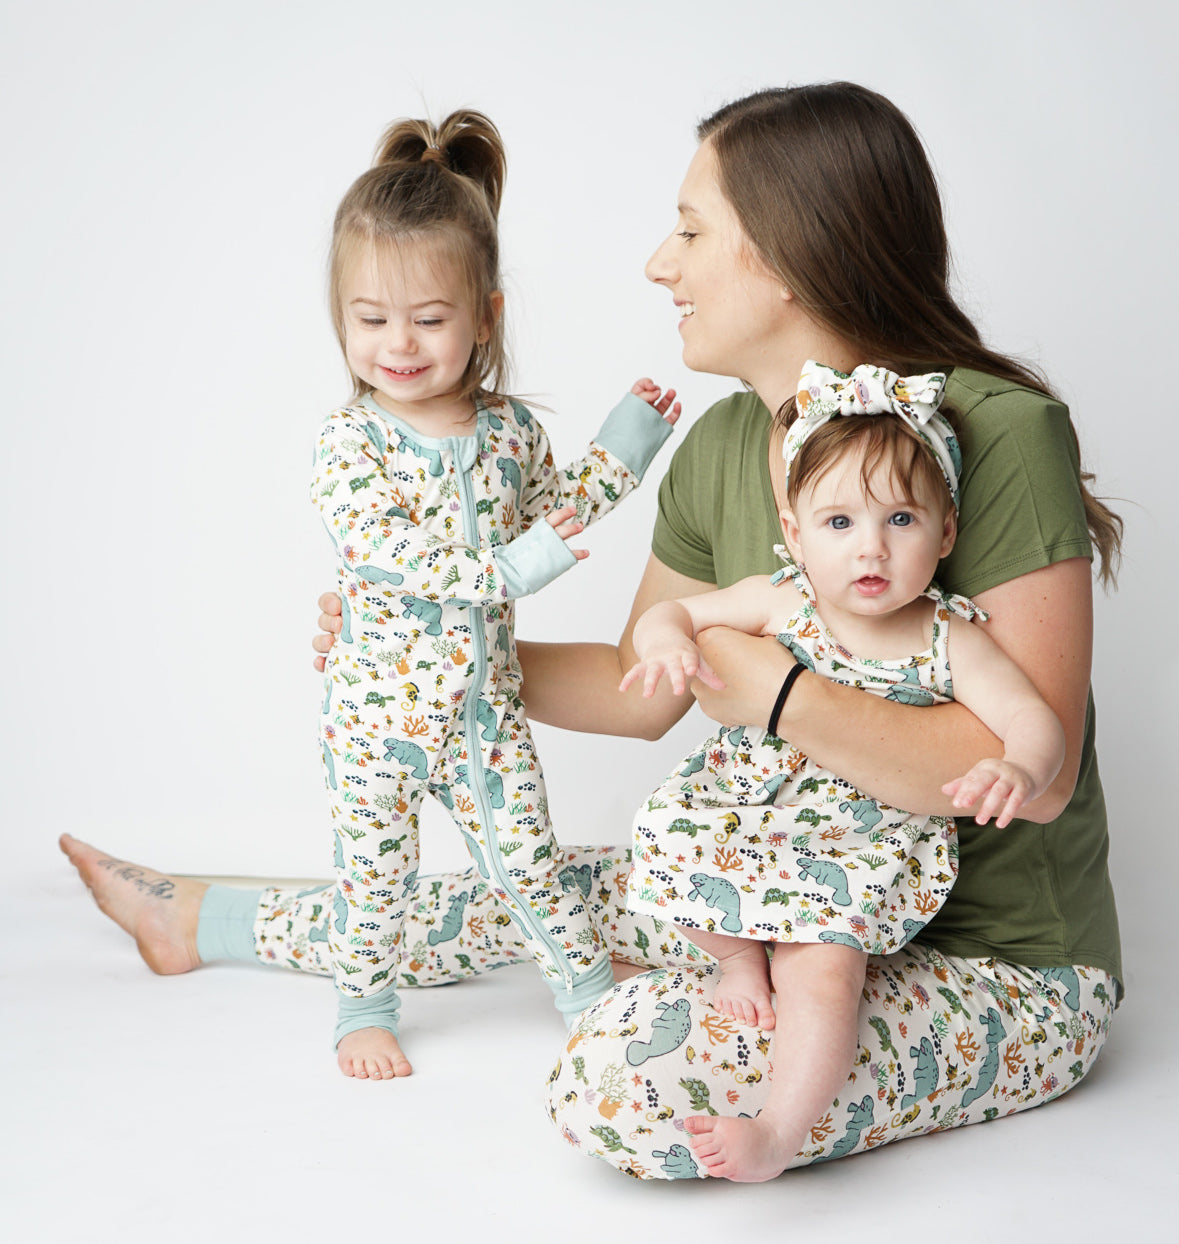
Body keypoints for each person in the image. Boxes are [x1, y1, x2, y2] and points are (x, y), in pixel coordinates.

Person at [60, 81, 1122, 1179]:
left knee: (615, 1081)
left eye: (690, 231)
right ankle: (202, 917)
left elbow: (1027, 777)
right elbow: (640, 683)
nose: (659, 264)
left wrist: (769, 686)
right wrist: (430, 652)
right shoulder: (717, 446)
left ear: (789, 250)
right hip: (773, 883)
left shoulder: (993, 435)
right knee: (527, 888)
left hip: (996, 959)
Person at [617, 359, 1064, 1180]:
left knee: (822, 975)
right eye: (838, 523)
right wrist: (668, 642)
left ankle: (779, 1131)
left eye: (901, 518)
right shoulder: (783, 600)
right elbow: (669, 612)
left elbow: (1035, 718)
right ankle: (733, 955)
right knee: (662, 852)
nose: (871, 547)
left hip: (851, 848)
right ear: (793, 533)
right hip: (747, 814)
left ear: (948, 532)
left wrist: (1019, 768)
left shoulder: (948, 636)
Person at [311, 109, 681, 1077]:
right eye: (370, 317)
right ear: (339, 314)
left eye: (429, 318)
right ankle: (363, 1005)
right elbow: (390, 551)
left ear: (485, 314)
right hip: (376, 717)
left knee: (529, 861)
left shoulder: (512, 433)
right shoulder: (352, 444)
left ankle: (589, 995)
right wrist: (509, 572)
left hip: (484, 710)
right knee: (375, 874)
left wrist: (624, 447)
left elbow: (551, 511)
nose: (399, 343)